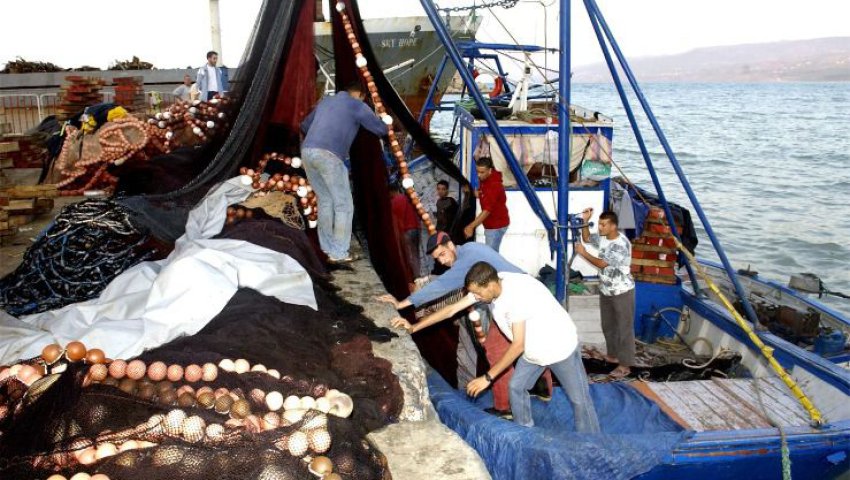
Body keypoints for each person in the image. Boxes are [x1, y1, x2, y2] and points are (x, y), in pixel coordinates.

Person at [380, 230, 529, 417]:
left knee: (496, 347)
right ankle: (541, 387)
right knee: (525, 340)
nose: (441, 261)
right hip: (516, 294)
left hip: (519, 297)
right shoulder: (470, 250)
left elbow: (440, 287)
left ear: (451, 245)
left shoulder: (465, 262)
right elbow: (450, 309)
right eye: (437, 259)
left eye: (442, 254)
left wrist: (402, 303)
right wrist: (414, 326)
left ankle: (505, 406)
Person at [464, 261, 600, 432]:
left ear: (490, 284)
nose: (476, 297)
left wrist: (487, 378)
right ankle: (525, 431)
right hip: (534, 351)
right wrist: (418, 326)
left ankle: (591, 441)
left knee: (579, 399)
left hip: (559, 347)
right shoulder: (495, 282)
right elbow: (451, 310)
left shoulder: (515, 297)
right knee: (516, 387)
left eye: (478, 293)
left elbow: (517, 345)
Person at [300, 81, 388, 262]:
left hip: (307, 152)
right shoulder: (357, 105)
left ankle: (326, 248)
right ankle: (339, 253)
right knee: (344, 205)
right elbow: (379, 129)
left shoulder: (325, 102)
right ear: (361, 95)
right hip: (329, 156)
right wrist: (387, 122)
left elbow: (305, 125)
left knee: (325, 201)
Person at [574, 209, 635, 379]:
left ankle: (625, 365)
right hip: (606, 289)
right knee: (608, 325)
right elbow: (586, 238)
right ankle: (613, 355)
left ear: (613, 226)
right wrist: (586, 221)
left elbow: (602, 264)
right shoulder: (603, 238)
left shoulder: (620, 244)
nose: (600, 227)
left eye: (603, 224)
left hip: (622, 291)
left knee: (624, 328)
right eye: (599, 224)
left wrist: (583, 253)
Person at [464, 156, 509, 252]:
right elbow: (484, 194)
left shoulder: (494, 185)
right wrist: (475, 193)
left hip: (496, 226)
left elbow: (487, 211)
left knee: (490, 257)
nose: (479, 175)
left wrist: (471, 226)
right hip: (492, 224)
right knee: (491, 255)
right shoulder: (485, 179)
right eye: (477, 172)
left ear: (490, 170)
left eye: (482, 172)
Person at [390, 187, 421, 277]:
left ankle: (411, 276)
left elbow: (398, 219)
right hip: (416, 228)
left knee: (407, 254)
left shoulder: (394, 201)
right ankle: (417, 275)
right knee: (415, 253)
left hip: (406, 230)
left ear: (391, 192)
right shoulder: (406, 198)